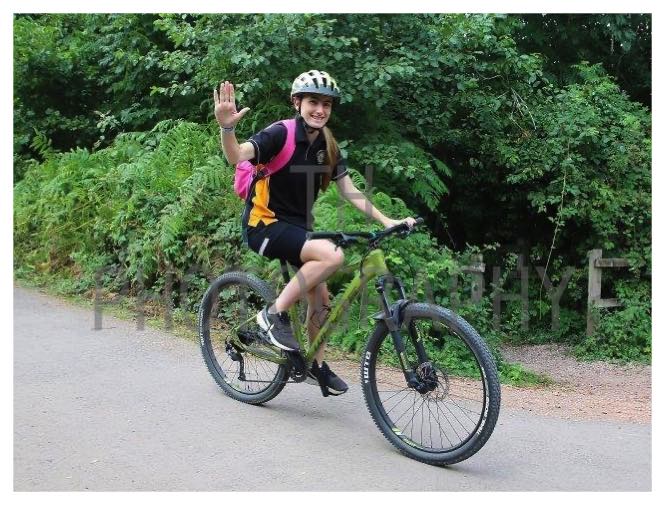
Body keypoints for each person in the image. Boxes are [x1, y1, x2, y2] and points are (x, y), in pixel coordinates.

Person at [214, 70, 416, 395]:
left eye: (326, 104)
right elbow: (236, 155)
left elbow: (350, 191)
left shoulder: (327, 145)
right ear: (297, 102)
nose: (320, 110)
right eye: (313, 102)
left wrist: (386, 220)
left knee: (321, 299)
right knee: (332, 256)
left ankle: (316, 365)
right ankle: (273, 315)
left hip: (297, 230)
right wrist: (227, 128)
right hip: (263, 226)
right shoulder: (280, 134)